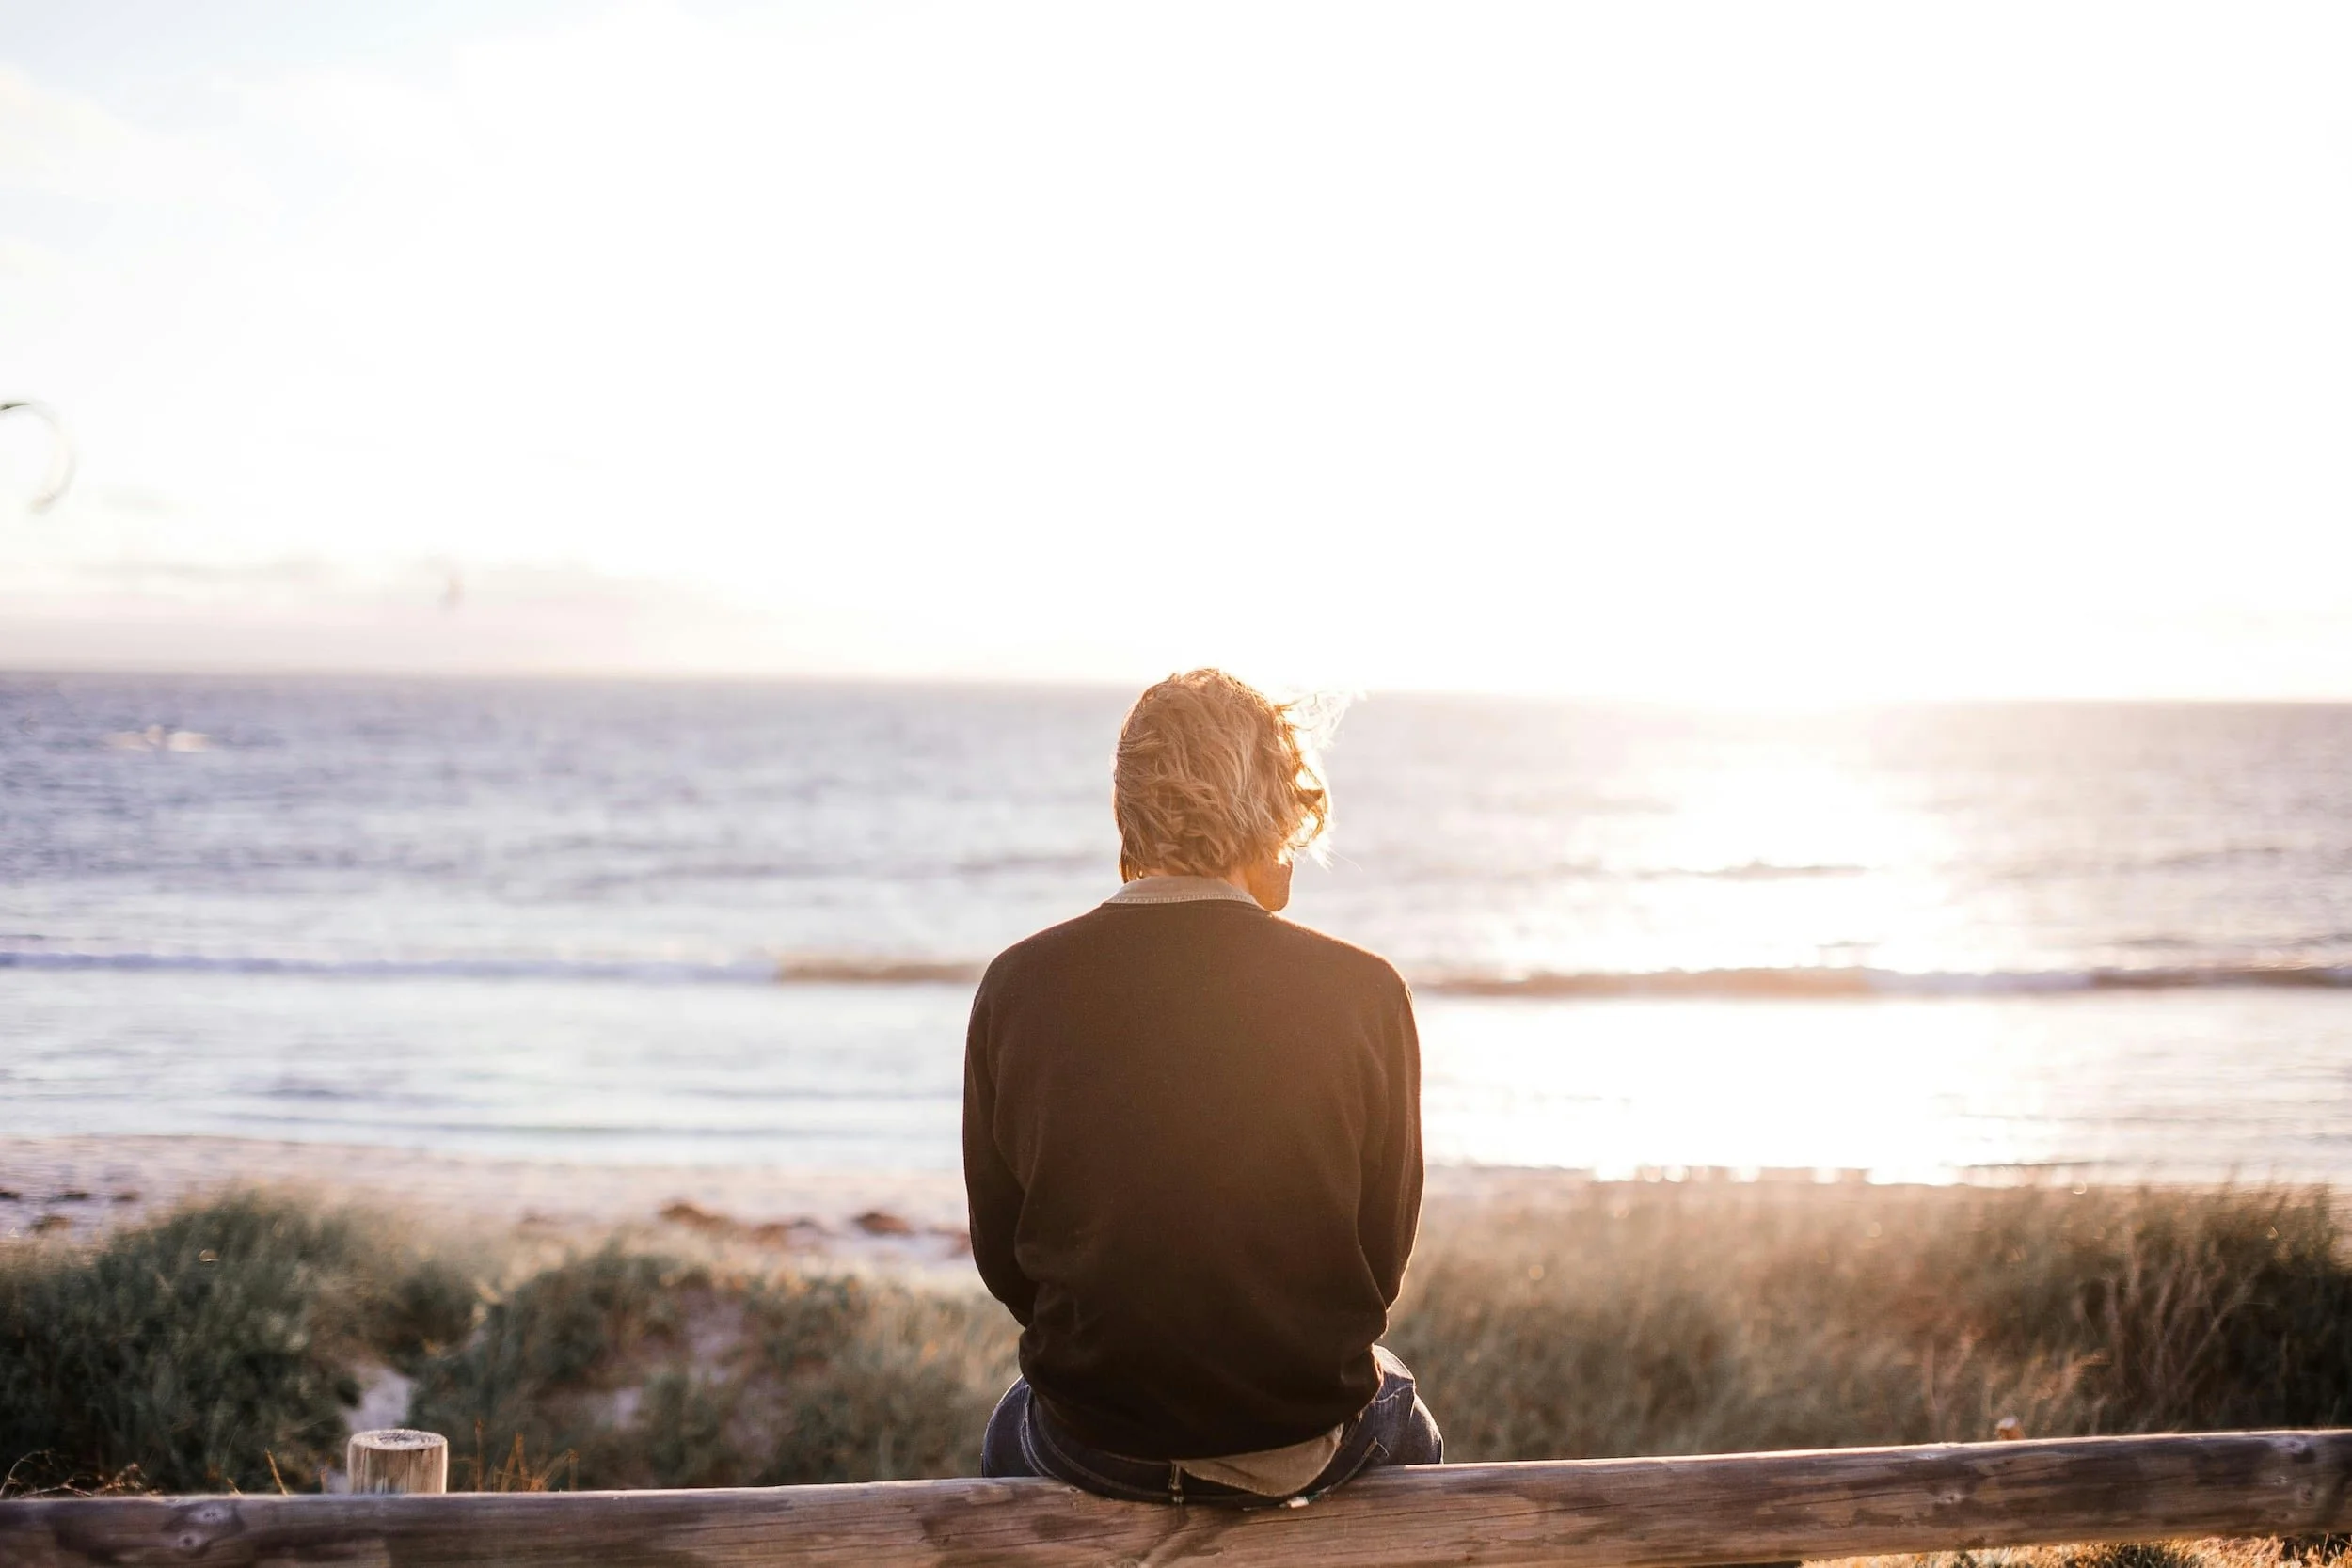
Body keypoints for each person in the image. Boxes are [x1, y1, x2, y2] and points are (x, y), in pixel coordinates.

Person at [964, 668, 1440, 1507]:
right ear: (1274, 807)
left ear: (1130, 813)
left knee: (1011, 1424)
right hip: (1297, 1437)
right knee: (1409, 1418)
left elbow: (1007, 1259)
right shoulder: (1364, 992)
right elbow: (1379, 1262)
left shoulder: (1017, 985)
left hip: (1097, 1441)